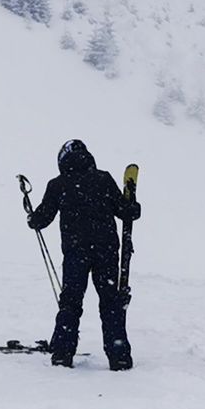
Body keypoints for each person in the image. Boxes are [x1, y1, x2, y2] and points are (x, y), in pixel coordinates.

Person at [28, 140, 140, 371]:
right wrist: (134, 206)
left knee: (70, 302)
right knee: (110, 303)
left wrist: (31, 217)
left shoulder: (58, 184)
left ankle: (62, 353)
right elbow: (125, 212)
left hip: (75, 253)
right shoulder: (103, 178)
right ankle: (118, 356)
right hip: (107, 251)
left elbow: (42, 219)